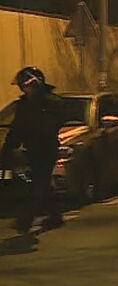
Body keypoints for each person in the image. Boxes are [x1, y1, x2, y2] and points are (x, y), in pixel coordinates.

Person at [0, 66, 64, 233]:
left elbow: (52, 126)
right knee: (40, 181)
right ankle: (55, 214)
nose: (24, 90)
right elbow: (17, 128)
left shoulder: (52, 103)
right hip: (32, 149)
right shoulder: (24, 105)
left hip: (46, 149)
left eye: (26, 86)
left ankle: (26, 219)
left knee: (38, 183)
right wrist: (8, 148)